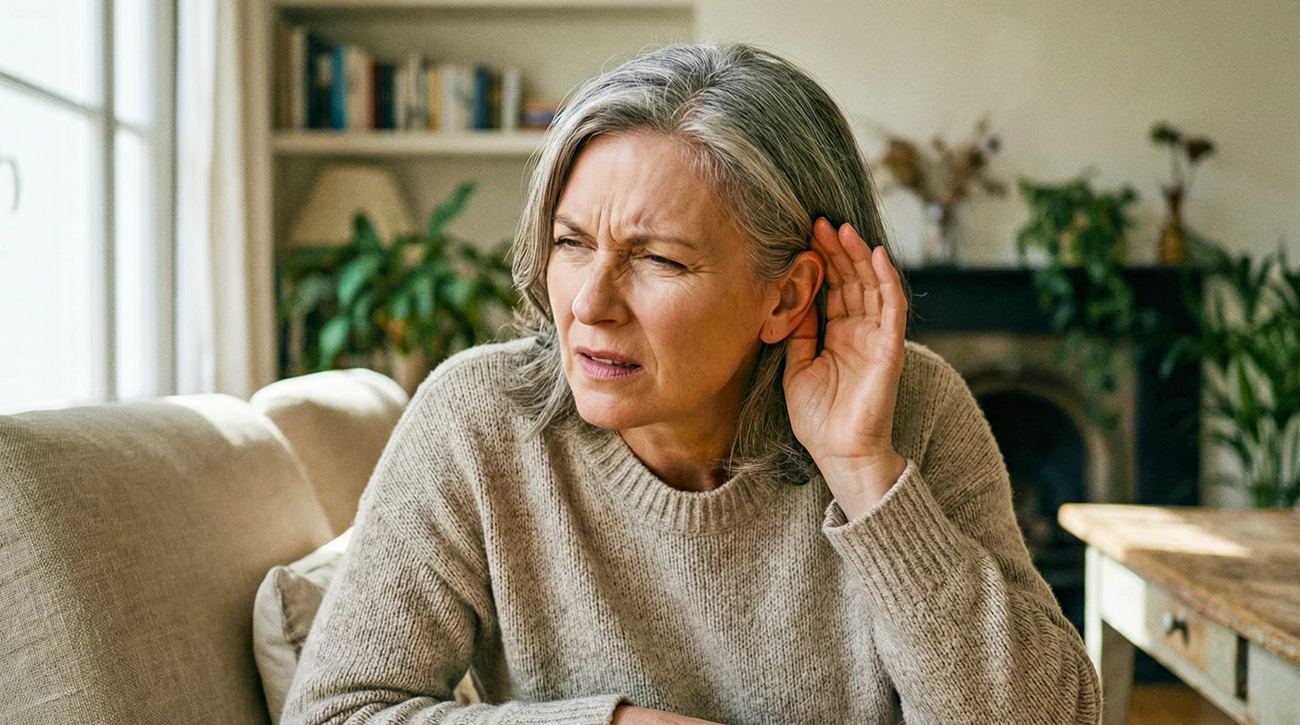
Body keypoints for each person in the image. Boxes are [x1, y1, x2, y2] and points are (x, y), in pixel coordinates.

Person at [283, 43, 1101, 725]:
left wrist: (865, 473)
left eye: (659, 259)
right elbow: (334, 713)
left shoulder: (909, 410)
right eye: (571, 243)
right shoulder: (479, 421)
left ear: (786, 296)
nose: (590, 305)